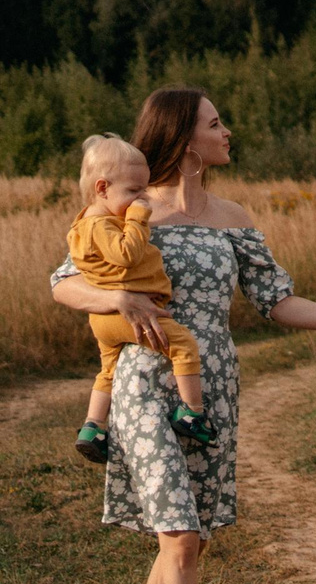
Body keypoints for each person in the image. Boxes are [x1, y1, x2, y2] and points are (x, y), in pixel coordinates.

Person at [49, 87, 316, 584]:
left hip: (211, 385)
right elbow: (64, 282)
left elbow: (276, 300)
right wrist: (116, 298)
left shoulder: (232, 217)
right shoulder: (131, 204)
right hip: (144, 382)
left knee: (188, 538)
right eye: (215, 123)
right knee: (179, 536)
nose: (227, 132)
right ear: (185, 139)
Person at [65, 133, 213, 465]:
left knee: (108, 370)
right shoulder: (102, 225)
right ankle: (192, 412)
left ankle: (92, 427)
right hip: (127, 314)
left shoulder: (83, 223)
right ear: (102, 188)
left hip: (104, 318)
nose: (141, 198)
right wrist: (137, 218)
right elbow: (127, 254)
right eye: (133, 191)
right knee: (183, 345)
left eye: (143, 190)